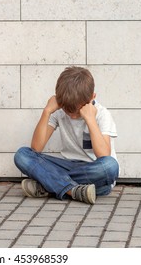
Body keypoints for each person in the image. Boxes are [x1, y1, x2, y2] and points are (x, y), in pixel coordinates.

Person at [14, 66, 119, 204]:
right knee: (22, 155)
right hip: (67, 165)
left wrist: (90, 120)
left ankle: (49, 185)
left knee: (110, 166)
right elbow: (36, 148)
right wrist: (47, 111)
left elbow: (104, 155)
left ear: (92, 97)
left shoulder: (101, 114)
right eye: (67, 110)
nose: (72, 115)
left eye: (76, 110)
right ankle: (73, 190)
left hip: (93, 169)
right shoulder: (59, 110)